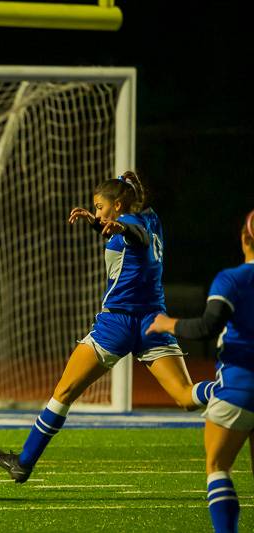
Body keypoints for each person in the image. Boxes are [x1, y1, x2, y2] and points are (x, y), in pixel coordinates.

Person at [0, 171, 213, 483]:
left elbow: (133, 235)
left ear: (118, 205)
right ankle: (232, 389)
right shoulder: (152, 218)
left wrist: (116, 225)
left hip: (117, 323)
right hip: (153, 322)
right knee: (186, 397)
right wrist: (100, 223)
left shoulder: (132, 225)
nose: (96, 212)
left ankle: (24, 462)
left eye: (99, 206)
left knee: (64, 392)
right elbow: (131, 233)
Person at [147, 208, 254, 533]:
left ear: (244, 238)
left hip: (240, 387)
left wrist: (168, 323)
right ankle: (202, 392)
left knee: (217, 467)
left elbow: (209, 325)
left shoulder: (233, 278)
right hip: (237, 389)